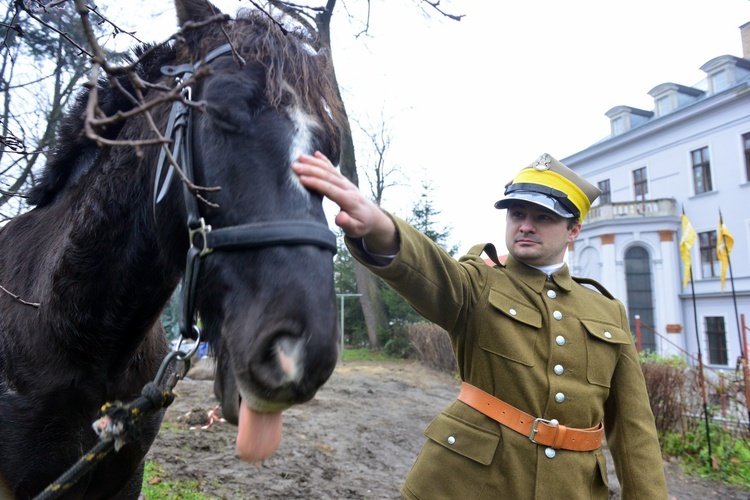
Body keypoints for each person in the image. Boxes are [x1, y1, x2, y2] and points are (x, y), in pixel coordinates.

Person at [293, 151, 668, 499]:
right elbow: (432, 273)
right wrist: (380, 228)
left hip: (573, 488)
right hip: (469, 482)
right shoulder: (480, 281)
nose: (525, 226)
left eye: (543, 217)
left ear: (573, 230)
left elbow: (635, 432)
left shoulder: (607, 311)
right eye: (517, 214)